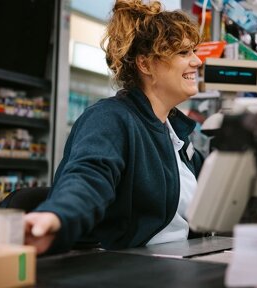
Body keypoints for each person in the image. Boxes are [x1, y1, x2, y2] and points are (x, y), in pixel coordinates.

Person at [24, 0, 204, 255]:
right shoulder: (111, 118)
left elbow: (215, 189)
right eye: (184, 53)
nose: (197, 61)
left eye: (194, 51)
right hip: (124, 269)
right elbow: (88, 177)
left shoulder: (176, 134)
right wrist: (56, 215)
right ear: (145, 64)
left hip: (177, 264)